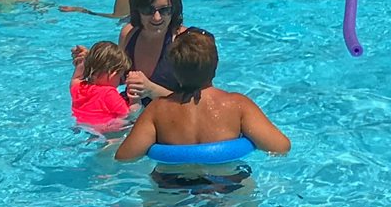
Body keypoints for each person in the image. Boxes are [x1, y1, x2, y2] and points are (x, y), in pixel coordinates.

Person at [115, 29, 290, 163]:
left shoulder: (157, 110)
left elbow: (125, 156)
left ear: (174, 71)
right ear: (215, 66)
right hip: (226, 185)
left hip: (171, 185)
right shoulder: (237, 105)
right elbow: (280, 146)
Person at [117, 0, 182, 100]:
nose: (157, 18)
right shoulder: (128, 34)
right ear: (137, 10)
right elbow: (118, 80)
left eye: (165, 10)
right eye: (148, 10)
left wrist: (152, 90)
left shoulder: (185, 42)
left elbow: (198, 101)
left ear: (174, 9)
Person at [70, 42, 134, 129]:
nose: (120, 81)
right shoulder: (109, 93)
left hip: (81, 125)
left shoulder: (79, 88)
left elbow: (76, 78)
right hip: (105, 130)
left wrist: (82, 61)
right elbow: (127, 114)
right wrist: (135, 99)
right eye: (120, 77)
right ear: (113, 74)